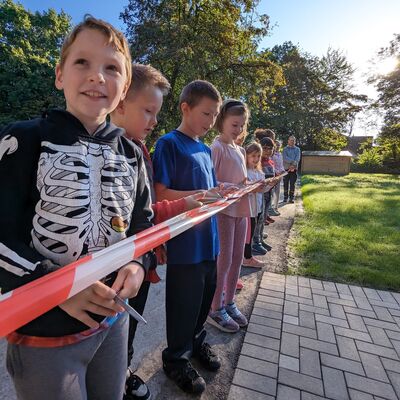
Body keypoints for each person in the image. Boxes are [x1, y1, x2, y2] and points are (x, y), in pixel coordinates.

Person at [0, 17, 154, 400]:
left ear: (123, 91)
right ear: (59, 75)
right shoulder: (22, 140)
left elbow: (143, 227)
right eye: (82, 63)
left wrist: (137, 265)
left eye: (111, 68)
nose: (97, 77)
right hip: (44, 334)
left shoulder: (133, 155)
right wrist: (52, 288)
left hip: (114, 324)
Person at [110, 64, 204, 400]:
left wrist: (188, 203)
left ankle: (123, 371)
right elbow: (138, 215)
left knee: (129, 326)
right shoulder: (110, 151)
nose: (153, 121)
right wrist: (186, 203)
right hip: (114, 267)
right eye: (147, 111)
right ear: (120, 103)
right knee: (112, 329)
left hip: (141, 261)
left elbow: (144, 213)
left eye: (156, 113)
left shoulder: (140, 149)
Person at [152, 80, 222, 394]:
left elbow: (210, 193)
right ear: (185, 108)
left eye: (214, 116)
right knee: (183, 304)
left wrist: (223, 193)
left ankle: (196, 344)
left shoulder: (206, 150)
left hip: (210, 240)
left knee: (203, 300)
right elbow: (161, 193)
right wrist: (204, 195)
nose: (210, 122)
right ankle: (175, 360)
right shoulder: (169, 144)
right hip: (185, 245)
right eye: (206, 114)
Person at [207, 99, 251, 334]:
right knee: (223, 261)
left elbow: (243, 180)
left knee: (237, 259)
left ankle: (230, 302)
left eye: (242, 125)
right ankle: (215, 307)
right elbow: (210, 182)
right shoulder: (217, 148)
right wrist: (228, 187)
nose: (238, 130)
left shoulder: (240, 149)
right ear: (221, 120)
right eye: (234, 124)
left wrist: (257, 184)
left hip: (242, 211)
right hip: (224, 212)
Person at [242, 142, 267, 268]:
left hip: (257, 207)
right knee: (248, 233)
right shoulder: (244, 170)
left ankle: (247, 255)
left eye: (258, 156)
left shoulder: (259, 171)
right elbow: (243, 187)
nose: (256, 159)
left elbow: (263, 189)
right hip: (248, 208)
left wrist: (269, 184)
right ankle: (246, 257)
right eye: (253, 156)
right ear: (246, 156)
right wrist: (254, 187)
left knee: (251, 232)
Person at [282, 135, 301, 203]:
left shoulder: (297, 149)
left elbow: (297, 158)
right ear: (288, 141)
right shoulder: (285, 149)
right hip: (286, 169)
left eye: (293, 140)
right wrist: (292, 163)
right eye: (291, 140)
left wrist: (293, 166)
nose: (292, 141)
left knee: (292, 184)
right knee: (285, 183)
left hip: (294, 169)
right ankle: (285, 197)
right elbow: (285, 158)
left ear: (295, 141)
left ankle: (291, 198)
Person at [270, 140, 285, 215]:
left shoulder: (280, 154)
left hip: (280, 175)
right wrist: (276, 172)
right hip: (274, 175)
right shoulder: (272, 154)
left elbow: (281, 164)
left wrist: (282, 171)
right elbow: (271, 165)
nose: (278, 146)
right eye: (277, 145)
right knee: (272, 192)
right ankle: (271, 208)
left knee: (277, 192)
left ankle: (276, 207)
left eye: (279, 145)